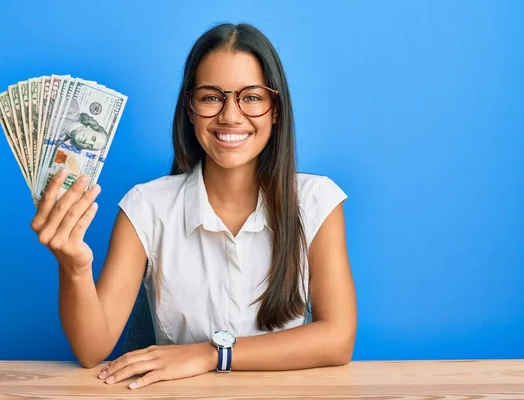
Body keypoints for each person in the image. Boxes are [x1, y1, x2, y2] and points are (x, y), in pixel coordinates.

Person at [30, 22, 357, 390]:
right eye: (211, 97)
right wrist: (74, 267)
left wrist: (211, 354)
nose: (230, 116)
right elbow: (92, 349)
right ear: (189, 108)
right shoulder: (146, 207)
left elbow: (337, 339)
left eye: (251, 97)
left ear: (275, 110)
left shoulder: (316, 202)